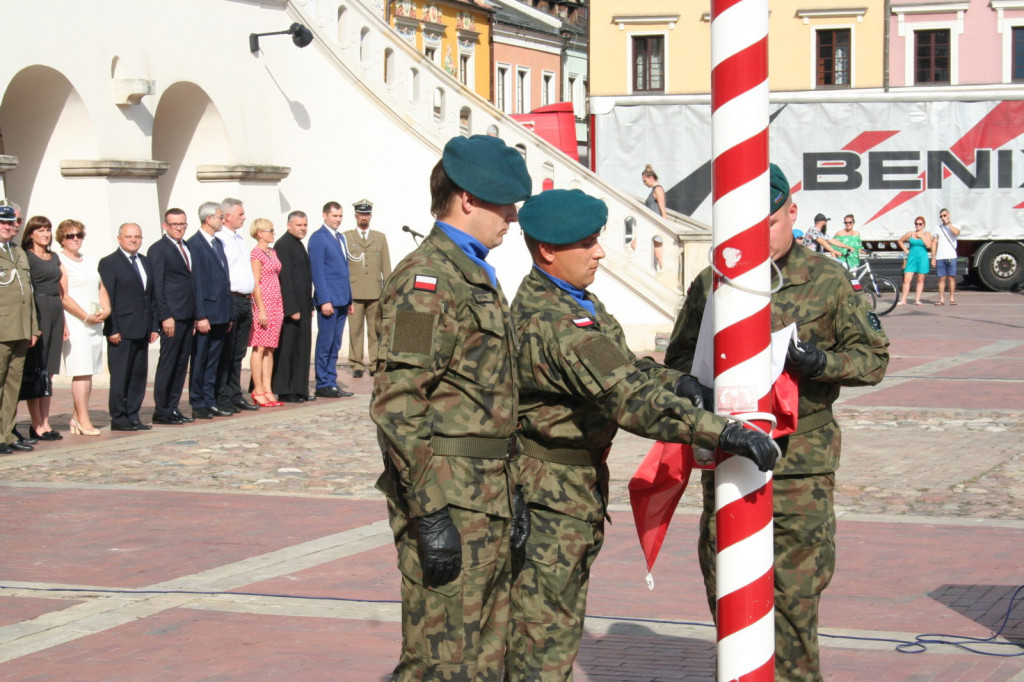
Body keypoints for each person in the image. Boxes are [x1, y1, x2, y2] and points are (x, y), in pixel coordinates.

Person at [507, 189, 777, 679]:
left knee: (555, 632)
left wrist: (681, 383)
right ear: (548, 249)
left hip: (569, 491)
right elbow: (629, 400)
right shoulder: (555, 324)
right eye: (587, 243)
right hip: (550, 497)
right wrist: (723, 432)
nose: (600, 252)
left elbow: (629, 370)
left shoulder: (575, 303)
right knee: (542, 646)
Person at [664, 164, 890, 682]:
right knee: (729, 597)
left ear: (792, 211)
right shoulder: (711, 283)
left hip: (799, 471)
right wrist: (688, 386)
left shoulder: (826, 280)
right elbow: (676, 360)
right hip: (728, 463)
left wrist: (820, 364)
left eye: (766, 222)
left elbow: (873, 360)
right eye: (742, 223)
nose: (755, 235)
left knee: (793, 608)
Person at [370, 134, 533, 681]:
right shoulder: (426, 282)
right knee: (439, 660)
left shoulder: (475, 271)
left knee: (486, 656)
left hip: (486, 494)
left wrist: (511, 492)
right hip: (449, 498)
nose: (511, 216)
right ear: (466, 198)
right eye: (503, 202)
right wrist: (429, 511)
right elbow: (398, 402)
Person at [97, 222, 158, 431]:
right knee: (120, 375)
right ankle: (119, 417)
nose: (133, 240)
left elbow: (151, 296)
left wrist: (154, 326)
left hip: (142, 327)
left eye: (137, 237)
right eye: (129, 236)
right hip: (121, 329)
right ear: (119, 239)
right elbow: (108, 298)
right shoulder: (109, 263)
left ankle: (133, 414)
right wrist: (111, 328)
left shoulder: (146, 262)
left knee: (138, 375)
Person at [57, 219, 109, 436]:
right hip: (76, 321)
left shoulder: (87, 259)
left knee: (89, 371)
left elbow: (100, 286)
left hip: (94, 321)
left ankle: (78, 416)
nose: (75, 239)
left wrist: (106, 309)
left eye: (79, 235)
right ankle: (83, 420)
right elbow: (64, 296)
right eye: (70, 236)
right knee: (81, 370)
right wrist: (85, 316)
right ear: (62, 239)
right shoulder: (60, 261)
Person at [149, 208, 197, 425]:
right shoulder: (159, 249)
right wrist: (164, 316)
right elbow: (157, 286)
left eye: (182, 224)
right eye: (174, 224)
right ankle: (162, 409)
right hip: (172, 316)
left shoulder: (186, 246)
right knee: (168, 362)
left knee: (181, 364)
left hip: (187, 314)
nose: (179, 228)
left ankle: (173, 406)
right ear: (165, 226)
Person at [188, 202, 234, 419]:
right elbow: (196, 282)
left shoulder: (218, 243)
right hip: (207, 311)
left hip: (221, 311)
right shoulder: (195, 245)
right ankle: (197, 401)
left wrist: (229, 313)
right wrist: (201, 315)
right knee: (200, 359)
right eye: (219, 216)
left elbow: (225, 279)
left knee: (214, 359)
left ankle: (209, 399)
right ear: (208, 219)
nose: (222, 220)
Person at [0, 204, 40, 454]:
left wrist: (33, 328)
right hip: (2, 328)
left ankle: (7, 432)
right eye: (2, 223)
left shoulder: (18, 252)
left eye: (10, 223)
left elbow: (29, 295)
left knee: (13, 385)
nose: (7, 227)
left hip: (20, 328)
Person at [20, 216, 65, 440]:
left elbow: (61, 289)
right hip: (39, 308)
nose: (45, 234)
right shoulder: (27, 257)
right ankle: (35, 423)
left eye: (47, 229)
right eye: (40, 230)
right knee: (37, 369)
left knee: (50, 370)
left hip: (56, 308)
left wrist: (64, 321)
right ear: (31, 234)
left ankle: (46, 422)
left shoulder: (54, 256)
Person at [214, 197, 259, 413]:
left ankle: (234, 393)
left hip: (245, 299)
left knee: (239, 352)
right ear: (227, 216)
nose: (244, 217)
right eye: (240, 214)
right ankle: (222, 394)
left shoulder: (239, 238)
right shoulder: (220, 239)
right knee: (227, 351)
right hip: (230, 298)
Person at [309, 201, 353, 398]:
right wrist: (324, 299)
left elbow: (344, 271)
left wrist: (349, 298)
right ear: (325, 215)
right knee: (325, 342)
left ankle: (331, 379)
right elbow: (318, 272)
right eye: (334, 216)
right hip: (329, 300)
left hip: (342, 298)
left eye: (340, 216)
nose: (338, 220)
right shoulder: (319, 238)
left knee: (336, 343)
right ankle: (323, 382)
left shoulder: (340, 238)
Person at [344, 198, 391, 379]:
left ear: (370, 216)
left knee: (374, 330)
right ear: (356, 215)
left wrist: (387, 290)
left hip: (374, 292)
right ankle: (356, 363)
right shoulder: (347, 237)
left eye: (367, 214)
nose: (364, 217)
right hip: (354, 291)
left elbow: (386, 266)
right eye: (361, 214)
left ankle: (374, 363)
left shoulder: (379, 238)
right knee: (355, 330)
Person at [271, 210, 315, 403]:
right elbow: (285, 278)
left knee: (302, 347)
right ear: (289, 225)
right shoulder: (283, 245)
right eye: (299, 225)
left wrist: (309, 303)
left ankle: (299, 388)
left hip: (303, 303)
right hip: (292, 306)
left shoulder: (297, 244)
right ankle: (285, 389)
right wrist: (291, 307)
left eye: (305, 225)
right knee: (288, 349)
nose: (303, 229)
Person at [248, 218, 284, 407]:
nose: (273, 233)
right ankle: (258, 389)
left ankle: (268, 388)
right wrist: (261, 309)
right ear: (260, 233)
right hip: (263, 303)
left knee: (270, 347)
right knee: (259, 347)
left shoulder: (273, 252)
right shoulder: (256, 253)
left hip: (276, 301)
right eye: (269, 230)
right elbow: (256, 283)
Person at [898, 216, 934, 306]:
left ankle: (917, 299)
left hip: (922, 258)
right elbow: (900, 241)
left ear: (923, 225)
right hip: (912, 258)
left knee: (920, 279)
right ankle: (903, 300)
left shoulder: (926, 234)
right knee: (907, 278)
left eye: (920, 224)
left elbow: (929, 245)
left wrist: (922, 237)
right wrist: (906, 250)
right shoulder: (911, 233)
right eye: (916, 224)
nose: (918, 225)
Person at [931, 208, 961, 305]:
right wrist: (933, 257)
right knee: (941, 278)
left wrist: (948, 224)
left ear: (949, 215)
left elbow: (956, 232)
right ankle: (941, 299)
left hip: (951, 255)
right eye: (941, 216)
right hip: (940, 256)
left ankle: (952, 298)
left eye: (944, 215)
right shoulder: (938, 228)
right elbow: (934, 243)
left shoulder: (955, 226)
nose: (943, 218)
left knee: (951, 277)